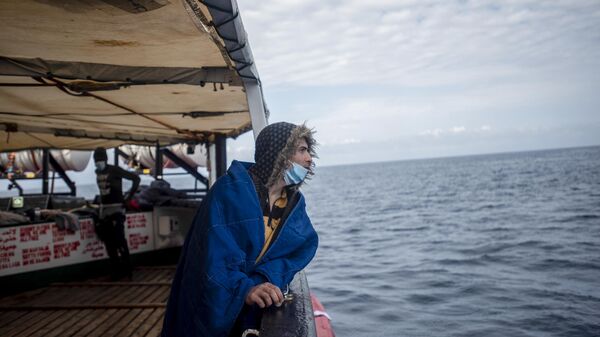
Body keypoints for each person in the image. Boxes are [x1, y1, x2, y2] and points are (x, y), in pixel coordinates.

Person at [162, 122, 319, 337]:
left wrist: (264, 278)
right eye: (302, 150)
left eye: (308, 150)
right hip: (213, 301)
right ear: (279, 152)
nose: (309, 158)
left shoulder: (293, 203)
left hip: (252, 307)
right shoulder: (228, 191)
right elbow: (212, 257)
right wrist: (243, 288)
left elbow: (301, 247)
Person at [93, 147, 140, 280]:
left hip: (117, 209)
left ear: (105, 160)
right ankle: (116, 270)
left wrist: (129, 197)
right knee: (109, 243)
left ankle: (127, 268)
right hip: (104, 210)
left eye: (100, 160)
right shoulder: (97, 172)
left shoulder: (115, 170)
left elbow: (136, 179)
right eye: (96, 160)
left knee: (119, 240)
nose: (98, 162)